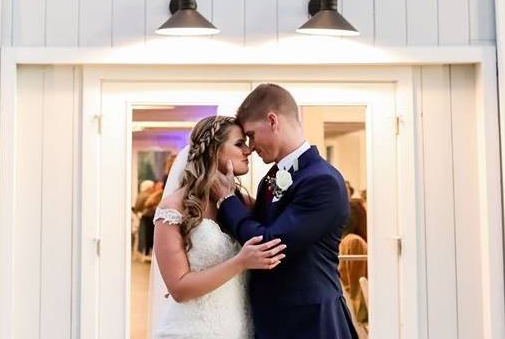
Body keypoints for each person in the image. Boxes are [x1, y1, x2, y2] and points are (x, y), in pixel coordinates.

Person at [211, 83, 358, 339]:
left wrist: (226, 199)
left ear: (272, 120)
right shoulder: (270, 177)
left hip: (311, 322)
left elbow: (267, 244)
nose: (251, 147)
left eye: (252, 135)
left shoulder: (322, 181)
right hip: (271, 319)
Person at [151, 116, 285, 338]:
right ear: (214, 150)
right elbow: (179, 289)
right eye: (239, 144)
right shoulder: (174, 208)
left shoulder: (245, 204)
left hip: (241, 328)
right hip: (192, 330)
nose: (248, 150)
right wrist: (241, 262)